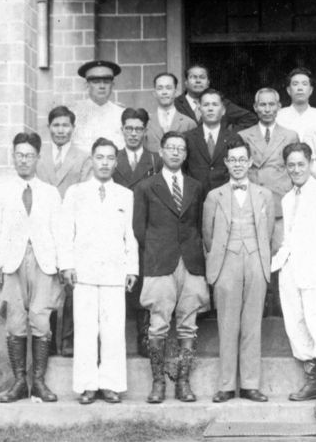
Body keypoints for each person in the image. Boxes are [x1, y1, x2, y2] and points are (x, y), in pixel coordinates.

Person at [59, 137, 138, 405]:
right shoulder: (75, 192)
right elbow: (65, 231)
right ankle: (87, 386)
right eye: (99, 157)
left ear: (116, 163)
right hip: (84, 273)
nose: (104, 163)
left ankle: (111, 385)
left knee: (113, 330)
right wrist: (67, 265)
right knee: (85, 329)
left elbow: (130, 235)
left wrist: (132, 269)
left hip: (114, 273)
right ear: (92, 160)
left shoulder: (125, 195)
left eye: (109, 158)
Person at [133, 131, 210, 404]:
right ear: (162, 151)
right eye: (170, 148)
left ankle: (183, 382)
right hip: (160, 262)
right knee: (158, 326)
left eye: (181, 148)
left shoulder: (195, 186)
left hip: (189, 262)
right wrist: (159, 248)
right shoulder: (145, 187)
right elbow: (139, 230)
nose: (176, 152)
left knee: (188, 326)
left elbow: (199, 225)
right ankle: (158, 383)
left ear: (186, 154)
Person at [0, 133, 62, 403]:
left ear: (38, 158)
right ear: (13, 156)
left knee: (41, 321)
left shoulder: (50, 192)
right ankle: (19, 382)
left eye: (30, 155)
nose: (24, 160)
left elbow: (59, 231)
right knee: (16, 322)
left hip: (44, 263)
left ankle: (39, 382)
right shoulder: (1, 191)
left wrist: (62, 265)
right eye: (20, 154)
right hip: (12, 264)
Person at [272, 142, 316, 419]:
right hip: (291, 269)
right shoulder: (288, 198)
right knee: (296, 323)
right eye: (291, 165)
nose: (296, 169)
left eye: (301, 164)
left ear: (311, 163)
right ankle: (312, 382)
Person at [203, 139, 275, 403]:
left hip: (256, 260)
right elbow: (208, 235)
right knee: (227, 324)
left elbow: (268, 232)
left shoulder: (264, 195)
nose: (237, 164)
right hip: (226, 262)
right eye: (232, 160)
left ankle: (250, 385)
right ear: (226, 163)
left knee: (252, 325)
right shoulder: (214, 196)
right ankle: (225, 385)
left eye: (241, 159)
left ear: (250, 162)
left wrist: (257, 254)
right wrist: (223, 258)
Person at [35, 106, 91, 357]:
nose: (60, 130)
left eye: (65, 125)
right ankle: (46, 341)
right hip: (43, 229)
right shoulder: (39, 158)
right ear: (49, 128)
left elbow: (84, 194)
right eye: (56, 125)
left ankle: (67, 340)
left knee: (70, 285)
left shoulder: (83, 158)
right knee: (46, 285)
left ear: (73, 128)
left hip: (71, 229)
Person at [238, 88, 299, 315]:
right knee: (255, 255)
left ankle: (280, 303)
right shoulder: (244, 136)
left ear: (279, 107)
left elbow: (295, 169)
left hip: (280, 203)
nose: (267, 109)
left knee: (280, 253)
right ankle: (260, 303)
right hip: (254, 203)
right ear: (255, 108)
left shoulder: (290, 135)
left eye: (271, 104)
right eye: (262, 105)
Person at [113, 107, 163, 357]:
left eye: (138, 129)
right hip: (115, 230)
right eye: (128, 128)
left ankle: (144, 335)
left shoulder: (156, 160)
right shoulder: (113, 158)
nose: (133, 134)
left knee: (144, 282)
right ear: (122, 130)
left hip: (145, 230)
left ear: (145, 131)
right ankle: (115, 341)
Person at [183, 88, 244, 195]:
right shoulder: (188, 138)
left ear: (223, 110)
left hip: (225, 198)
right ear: (199, 109)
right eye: (206, 105)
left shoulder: (234, 138)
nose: (210, 109)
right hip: (195, 198)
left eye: (215, 105)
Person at [174, 63, 257, 131]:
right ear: (186, 82)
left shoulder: (221, 102)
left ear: (208, 83)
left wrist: (227, 132)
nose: (198, 81)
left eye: (202, 77)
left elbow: (250, 119)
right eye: (193, 77)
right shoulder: (175, 104)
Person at [72, 60, 125, 152]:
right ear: (87, 85)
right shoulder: (74, 114)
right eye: (96, 82)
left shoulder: (121, 114)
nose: (102, 86)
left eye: (106, 82)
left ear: (112, 85)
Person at [145, 72, 197, 153]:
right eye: (160, 88)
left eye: (168, 88)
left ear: (175, 92)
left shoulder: (189, 124)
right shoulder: (146, 123)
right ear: (154, 93)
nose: (164, 92)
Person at [276, 67, 316, 139]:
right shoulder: (278, 116)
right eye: (295, 84)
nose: (300, 88)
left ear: (311, 90)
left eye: (304, 84)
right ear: (288, 90)